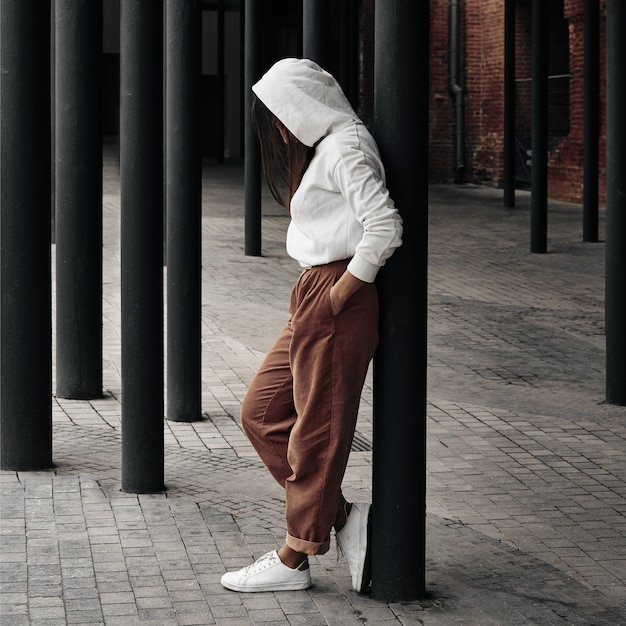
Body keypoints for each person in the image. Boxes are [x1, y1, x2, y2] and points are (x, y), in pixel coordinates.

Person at [220, 58, 403, 594]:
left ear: (302, 105)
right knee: (261, 412)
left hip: (335, 292)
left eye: (281, 113)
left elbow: (385, 225)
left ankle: (295, 556)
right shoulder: (330, 146)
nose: (279, 128)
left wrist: (342, 293)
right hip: (316, 292)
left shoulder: (346, 147)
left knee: (317, 430)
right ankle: (344, 518)